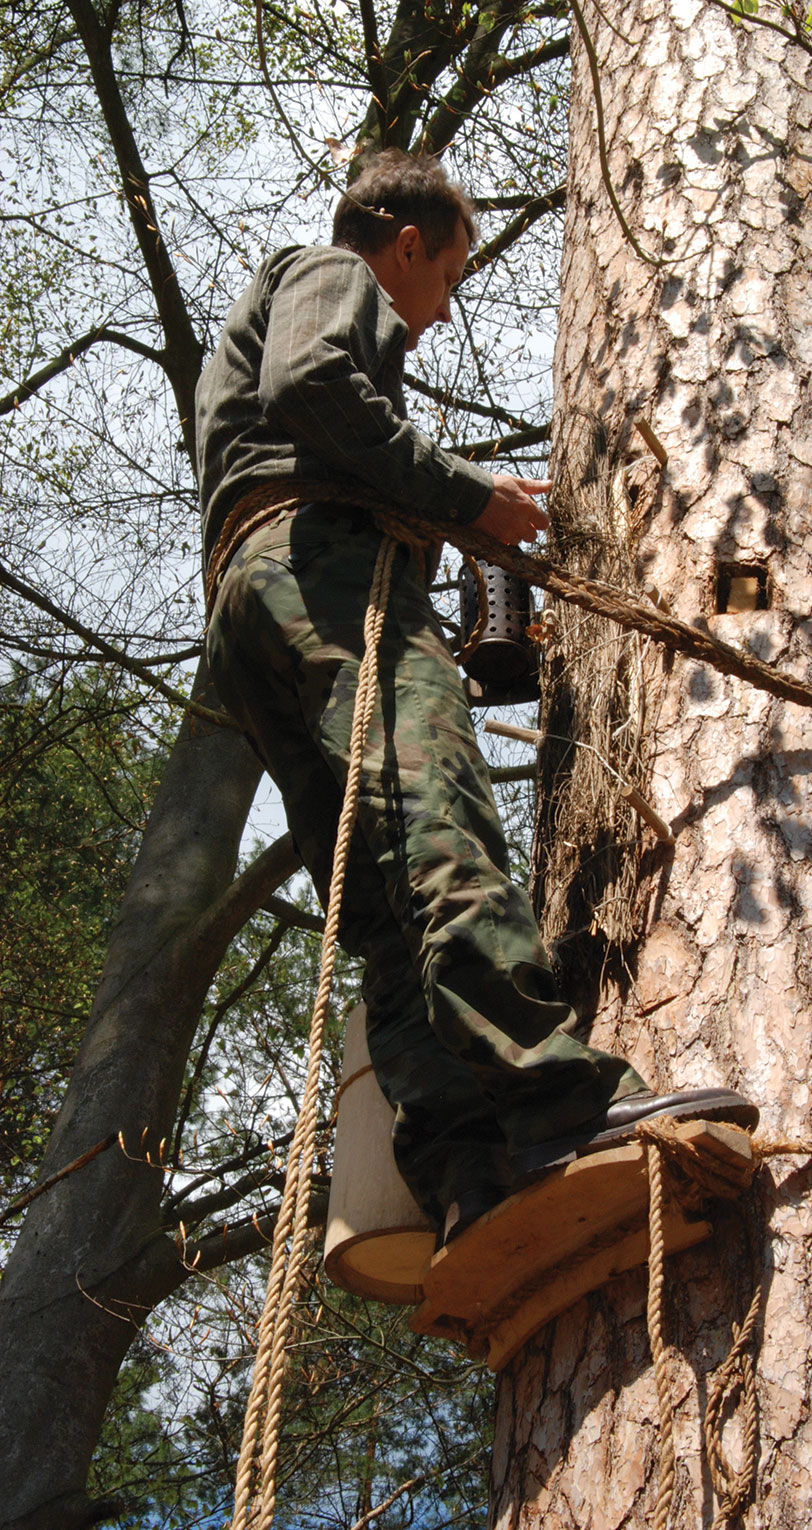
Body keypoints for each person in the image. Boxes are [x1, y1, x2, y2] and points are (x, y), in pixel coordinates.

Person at [196, 150, 757, 1245]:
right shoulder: (329, 270)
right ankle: (555, 1104)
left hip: (251, 602)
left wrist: (455, 513)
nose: (440, 313)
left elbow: (305, 421)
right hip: (322, 570)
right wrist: (464, 494)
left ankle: (463, 1169)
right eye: (447, 278)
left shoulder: (274, 393)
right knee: (437, 809)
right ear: (405, 243)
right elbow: (310, 384)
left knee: (378, 902)